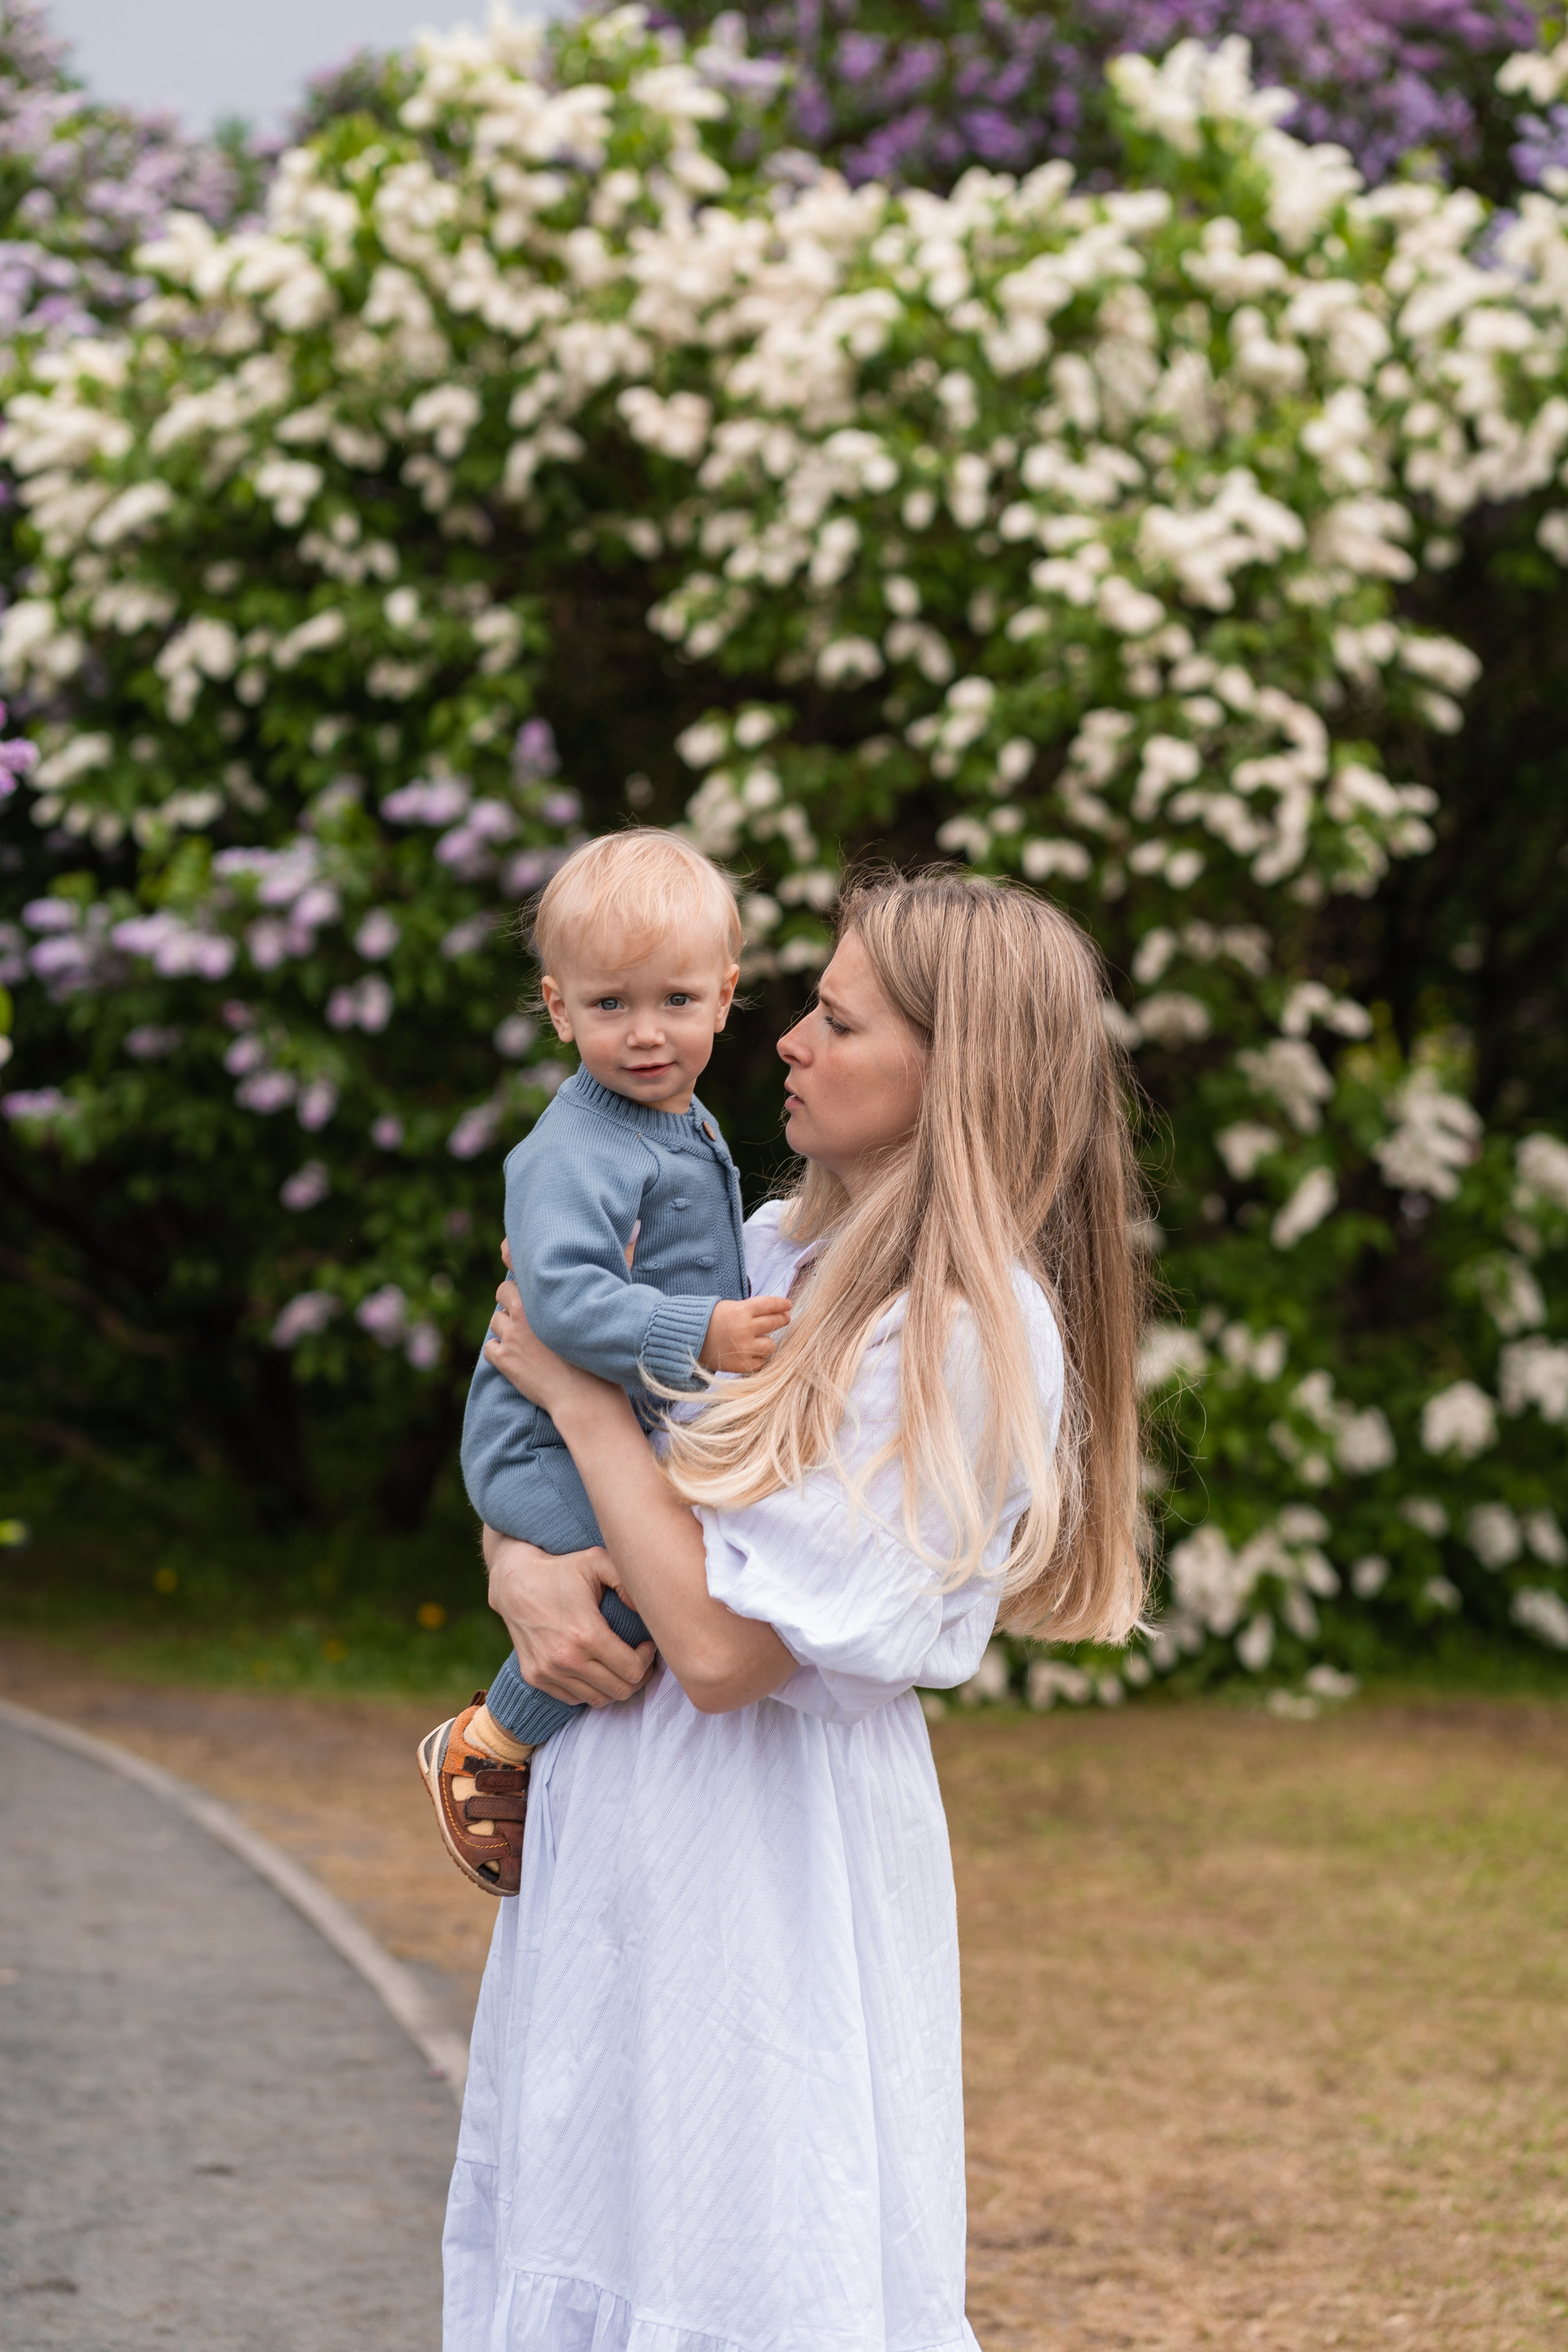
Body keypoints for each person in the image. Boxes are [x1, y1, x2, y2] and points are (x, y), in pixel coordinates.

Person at [443, 869, 1147, 2352]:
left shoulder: (957, 1328)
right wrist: (518, 1564)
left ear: (953, 1075)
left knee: (742, 2256)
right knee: (594, 2217)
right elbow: (599, 1491)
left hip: (767, 1870)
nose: (783, 1042)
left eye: (835, 1019)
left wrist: (578, 1400)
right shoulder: (766, 1253)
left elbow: (715, 1649)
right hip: (627, 1827)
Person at [417, 831, 794, 1895]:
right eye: (609, 1006)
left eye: (674, 1002)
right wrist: (703, 1334)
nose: (644, 1036)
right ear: (558, 1007)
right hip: (537, 1440)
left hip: (599, 1430)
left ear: (725, 998)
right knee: (642, 1579)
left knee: (665, 1561)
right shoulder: (573, 1145)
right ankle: (491, 1742)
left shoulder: (683, 1119)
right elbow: (563, 1302)